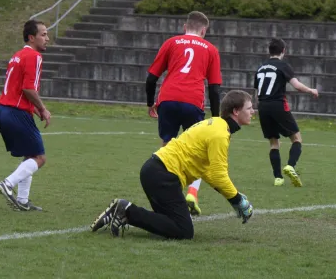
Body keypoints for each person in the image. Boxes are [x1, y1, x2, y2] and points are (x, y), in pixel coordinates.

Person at [90, 90, 254, 239]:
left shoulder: (216, 125)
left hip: (156, 171)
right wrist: (238, 200)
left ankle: (125, 212)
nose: (253, 112)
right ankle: (126, 211)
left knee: (174, 224)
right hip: (164, 175)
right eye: (249, 108)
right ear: (236, 111)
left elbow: (208, 172)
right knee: (184, 231)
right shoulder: (220, 133)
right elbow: (219, 174)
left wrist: (234, 198)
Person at [145, 11, 222, 216]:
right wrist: (215, 119)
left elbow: (151, 77)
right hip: (193, 102)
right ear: (204, 31)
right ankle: (192, 194)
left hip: (168, 99)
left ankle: (166, 194)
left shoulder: (171, 42)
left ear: (184, 27)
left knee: (168, 146)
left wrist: (149, 102)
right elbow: (214, 88)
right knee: (198, 151)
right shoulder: (211, 49)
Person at [0, 20, 52, 211]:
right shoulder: (34, 56)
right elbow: (28, 88)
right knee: (40, 158)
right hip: (15, 113)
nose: (47, 38)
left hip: (3, 111)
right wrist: (42, 108)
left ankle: (23, 201)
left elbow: (18, 90)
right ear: (31, 37)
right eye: (43, 34)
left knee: (30, 154)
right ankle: (8, 184)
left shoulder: (17, 56)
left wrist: (34, 109)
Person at [254, 38, 319, 187]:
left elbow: (257, 93)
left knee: (273, 142)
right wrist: (311, 90)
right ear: (283, 51)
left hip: (263, 106)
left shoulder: (261, 67)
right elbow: (296, 85)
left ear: (269, 51)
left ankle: (278, 178)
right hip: (278, 104)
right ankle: (290, 165)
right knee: (296, 138)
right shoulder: (283, 65)